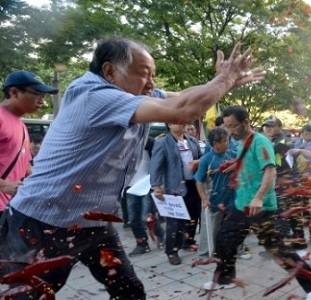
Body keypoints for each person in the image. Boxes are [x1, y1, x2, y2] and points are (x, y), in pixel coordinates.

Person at [0, 37, 264, 299]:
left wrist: (218, 82)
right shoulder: (93, 95)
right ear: (109, 71)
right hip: (45, 223)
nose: (151, 83)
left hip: (94, 221)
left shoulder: (136, 93)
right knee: (29, 296)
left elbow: (182, 96)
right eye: (144, 74)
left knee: (130, 292)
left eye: (153, 75)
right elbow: (183, 109)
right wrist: (224, 81)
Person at [203, 106, 311, 300]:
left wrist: (259, 197)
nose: (230, 131)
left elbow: (270, 171)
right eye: (227, 127)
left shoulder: (260, 142)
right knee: (225, 240)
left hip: (261, 207)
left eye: (233, 126)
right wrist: (232, 166)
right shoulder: (242, 141)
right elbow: (249, 163)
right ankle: (224, 279)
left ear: (245, 123)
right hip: (241, 204)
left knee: (279, 251)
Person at [0, 70, 58, 218]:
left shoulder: (21, 126)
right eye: (37, 94)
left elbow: (24, 165)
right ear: (14, 92)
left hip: (9, 208)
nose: (42, 101)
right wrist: (4, 185)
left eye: (43, 96)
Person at [150, 123, 202, 265]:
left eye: (180, 121)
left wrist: (199, 163)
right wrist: (156, 186)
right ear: (169, 125)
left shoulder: (191, 140)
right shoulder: (162, 142)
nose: (179, 124)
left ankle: (188, 241)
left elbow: (201, 157)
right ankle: (172, 251)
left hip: (193, 184)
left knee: (194, 214)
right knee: (175, 222)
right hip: (174, 187)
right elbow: (155, 166)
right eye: (174, 122)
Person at [194, 127, 236, 257]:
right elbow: (199, 181)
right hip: (213, 198)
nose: (227, 143)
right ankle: (207, 251)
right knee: (211, 226)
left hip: (231, 197)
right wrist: (204, 199)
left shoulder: (231, 154)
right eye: (224, 141)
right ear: (215, 143)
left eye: (227, 140)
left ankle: (234, 249)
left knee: (233, 225)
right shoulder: (206, 159)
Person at [126, 136, 165, 256]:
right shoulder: (121, 144)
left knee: (147, 217)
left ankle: (161, 235)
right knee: (133, 218)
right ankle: (142, 244)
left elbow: (158, 163)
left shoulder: (148, 142)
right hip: (130, 186)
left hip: (147, 184)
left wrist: (158, 183)